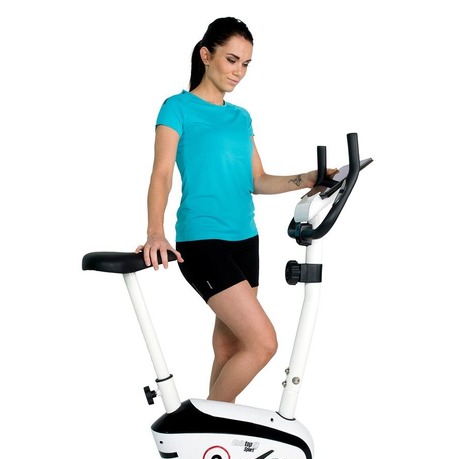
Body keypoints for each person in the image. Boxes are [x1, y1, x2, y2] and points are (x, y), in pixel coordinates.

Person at [136, 16, 333, 403]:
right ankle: (201, 424)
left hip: (246, 240)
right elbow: (161, 173)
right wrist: (155, 232)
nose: (239, 71)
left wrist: (308, 177)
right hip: (203, 242)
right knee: (262, 343)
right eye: (231, 60)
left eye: (245, 64)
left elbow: (257, 179)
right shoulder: (176, 108)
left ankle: (213, 438)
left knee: (230, 349)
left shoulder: (241, 117)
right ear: (206, 55)